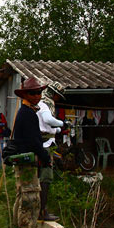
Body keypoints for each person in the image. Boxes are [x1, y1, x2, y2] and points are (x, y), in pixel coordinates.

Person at [9, 76, 51, 228]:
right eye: (33, 93)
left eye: (39, 92)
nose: (37, 96)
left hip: (24, 160)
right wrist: (45, 157)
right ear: (25, 94)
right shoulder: (27, 114)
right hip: (26, 162)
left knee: (22, 196)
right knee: (31, 198)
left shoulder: (26, 113)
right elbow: (34, 142)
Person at [36, 92, 67, 221]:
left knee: (42, 177)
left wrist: (60, 129)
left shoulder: (40, 106)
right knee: (45, 177)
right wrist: (61, 123)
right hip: (45, 145)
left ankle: (40, 209)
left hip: (45, 142)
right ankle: (42, 211)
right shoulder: (44, 105)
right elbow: (48, 120)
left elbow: (47, 126)